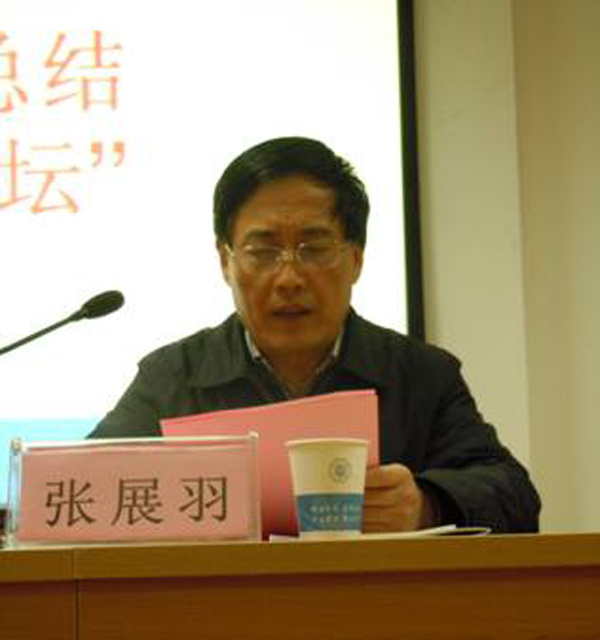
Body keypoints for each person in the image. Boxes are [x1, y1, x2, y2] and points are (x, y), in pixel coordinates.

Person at [89, 136, 541, 533]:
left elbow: (515, 495)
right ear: (225, 261)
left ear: (356, 259)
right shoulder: (173, 377)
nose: (289, 278)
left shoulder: (421, 374)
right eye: (263, 251)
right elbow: (85, 487)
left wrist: (427, 505)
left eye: (315, 248)